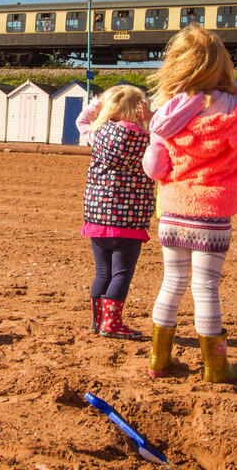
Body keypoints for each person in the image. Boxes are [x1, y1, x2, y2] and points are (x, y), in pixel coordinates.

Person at [142, 25, 237, 382]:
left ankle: (159, 359)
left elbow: (154, 168)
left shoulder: (166, 113)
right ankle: (216, 367)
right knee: (205, 288)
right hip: (212, 215)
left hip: (173, 212)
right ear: (223, 66)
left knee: (172, 283)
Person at [76, 84, 157, 340]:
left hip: (98, 218)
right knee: (121, 273)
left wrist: (97, 104)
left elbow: (81, 121)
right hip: (130, 221)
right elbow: (165, 140)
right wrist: (151, 119)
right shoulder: (149, 139)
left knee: (102, 272)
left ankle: (98, 321)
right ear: (139, 109)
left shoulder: (98, 133)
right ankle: (112, 324)